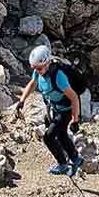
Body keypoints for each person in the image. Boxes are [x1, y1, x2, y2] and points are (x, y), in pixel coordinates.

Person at [13, 41, 83, 177]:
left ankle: (63, 164)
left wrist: (75, 120)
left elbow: (74, 98)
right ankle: (75, 158)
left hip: (66, 110)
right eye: (34, 68)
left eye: (38, 68)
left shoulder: (59, 77)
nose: (36, 71)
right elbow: (32, 83)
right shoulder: (39, 72)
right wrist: (22, 101)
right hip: (55, 108)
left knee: (48, 137)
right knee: (61, 134)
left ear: (47, 63)